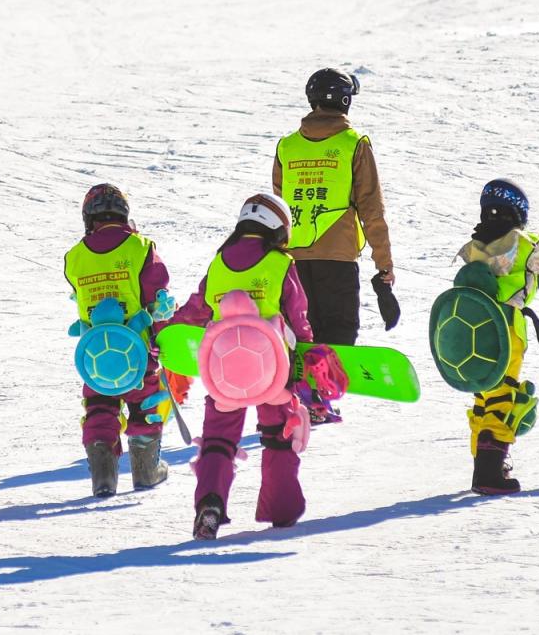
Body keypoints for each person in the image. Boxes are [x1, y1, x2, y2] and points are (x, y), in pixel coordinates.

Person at [170, 193, 311, 539]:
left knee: (218, 440)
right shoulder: (281, 263)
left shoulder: (218, 264)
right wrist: (310, 359)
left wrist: (163, 332)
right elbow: (299, 317)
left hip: (224, 373)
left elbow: (195, 310)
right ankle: (282, 509)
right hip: (274, 371)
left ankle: (210, 505)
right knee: (278, 437)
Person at [272, 67, 394, 424]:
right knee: (339, 330)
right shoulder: (353, 144)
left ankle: (299, 397)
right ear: (345, 101)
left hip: (292, 257)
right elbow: (371, 208)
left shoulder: (287, 146)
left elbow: (279, 203)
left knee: (300, 328)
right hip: (337, 255)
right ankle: (317, 398)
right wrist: (384, 264)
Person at [455, 179, 539, 495]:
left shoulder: (473, 248)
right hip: (506, 329)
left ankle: (484, 466)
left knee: (485, 397)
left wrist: (530, 280)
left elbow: (501, 277)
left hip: (474, 331)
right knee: (503, 397)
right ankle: (488, 474)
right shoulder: (523, 243)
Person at [65, 183, 173, 497]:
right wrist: (162, 333)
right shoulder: (140, 248)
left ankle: (103, 477)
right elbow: (157, 296)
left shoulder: (74, 257)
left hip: (95, 354)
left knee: (100, 406)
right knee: (144, 407)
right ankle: (145, 471)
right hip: (138, 350)